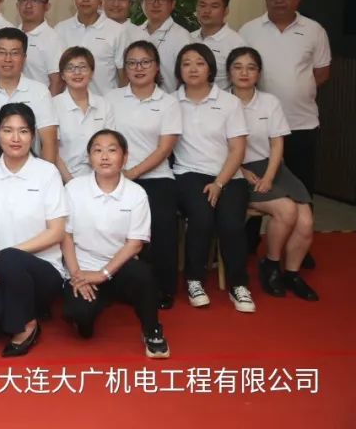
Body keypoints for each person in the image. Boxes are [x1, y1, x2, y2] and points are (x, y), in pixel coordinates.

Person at [239, 0, 330, 260]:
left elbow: (321, 73)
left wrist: (295, 89)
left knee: (301, 187)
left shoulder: (314, 30)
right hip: (258, 128)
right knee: (257, 185)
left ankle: (300, 246)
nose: (279, 0)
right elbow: (241, 69)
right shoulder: (249, 30)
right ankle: (249, 241)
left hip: (301, 123)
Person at [0, 104, 67, 357]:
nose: (15, 138)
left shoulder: (47, 172)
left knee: (10, 258)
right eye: (8, 130)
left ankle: (26, 325)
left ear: (32, 135)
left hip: (43, 270)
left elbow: (56, 232)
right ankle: (22, 308)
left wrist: (6, 254)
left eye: (23, 131)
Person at [61, 130, 171, 359]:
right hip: (83, 269)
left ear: (125, 157)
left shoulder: (136, 194)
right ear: (89, 157)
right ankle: (97, 302)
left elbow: (135, 244)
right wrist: (77, 275)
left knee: (143, 274)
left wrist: (103, 274)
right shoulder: (73, 189)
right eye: (97, 150)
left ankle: (152, 330)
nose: (104, 156)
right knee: (81, 319)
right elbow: (66, 237)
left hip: (119, 267)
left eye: (112, 150)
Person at [228, 48, 318, 301]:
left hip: (272, 167)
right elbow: (215, 146)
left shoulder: (269, 102)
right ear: (229, 72)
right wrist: (242, 170)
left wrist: (269, 176)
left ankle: (292, 273)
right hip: (236, 170)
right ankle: (271, 264)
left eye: (251, 68)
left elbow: (277, 143)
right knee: (287, 211)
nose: (244, 73)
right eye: (238, 67)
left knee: (306, 221)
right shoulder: (221, 102)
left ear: (259, 73)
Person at [171, 43, 252, 312]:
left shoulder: (229, 102)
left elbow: (238, 149)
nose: (193, 69)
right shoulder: (170, 102)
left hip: (228, 175)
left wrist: (219, 182)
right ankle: (194, 280)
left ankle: (238, 285)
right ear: (178, 70)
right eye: (186, 63)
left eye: (200, 63)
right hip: (188, 173)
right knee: (202, 218)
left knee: (231, 224)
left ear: (210, 68)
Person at [105, 40, 182, 309]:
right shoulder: (112, 99)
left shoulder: (169, 103)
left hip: (156, 177)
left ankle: (162, 287)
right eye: (132, 63)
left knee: (161, 224)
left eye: (145, 62)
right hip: (116, 178)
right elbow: (106, 140)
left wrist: (133, 173)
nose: (138, 68)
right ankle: (115, 283)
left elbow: (165, 148)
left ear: (157, 67)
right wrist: (119, 174)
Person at [0, 27, 58, 174]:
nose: (8, 59)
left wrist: (43, 178)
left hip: (31, 177)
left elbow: (49, 142)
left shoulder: (40, 93)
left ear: (24, 57)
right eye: (2, 52)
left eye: (15, 53)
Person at [55, 0, 126, 93]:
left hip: (105, 102)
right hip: (69, 102)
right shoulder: (60, 29)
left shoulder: (117, 31)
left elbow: (123, 74)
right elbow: (56, 73)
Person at [53, 47, 115, 183]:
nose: (77, 72)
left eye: (82, 67)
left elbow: (111, 146)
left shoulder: (104, 105)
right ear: (62, 75)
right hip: (63, 181)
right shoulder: (53, 105)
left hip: (99, 180)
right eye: (70, 68)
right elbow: (53, 151)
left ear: (92, 72)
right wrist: (71, 183)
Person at [136, 0, 192, 92]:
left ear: (172, 4)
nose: (156, 4)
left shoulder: (182, 37)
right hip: (136, 99)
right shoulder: (133, 32)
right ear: (142, 2)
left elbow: (188, 78)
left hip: (170, 100)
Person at [190, 0, 243, 91]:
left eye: (214, 6)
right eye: (202, 5)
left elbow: (241, 84)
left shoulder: (237, 44)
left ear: (226, 11)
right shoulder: (189, 38)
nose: (207, 11)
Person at [14, 0, 64, 94]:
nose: (28, 5)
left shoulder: (52, 39)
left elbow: (57, 81)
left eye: (35, 0)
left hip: (40, 101)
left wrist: (46, 104)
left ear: (47, 7)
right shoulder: (13, 35)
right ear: (17, 5)